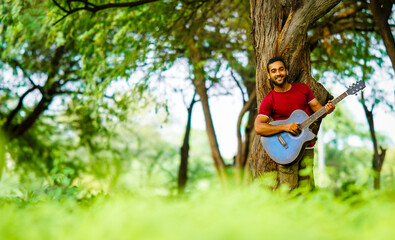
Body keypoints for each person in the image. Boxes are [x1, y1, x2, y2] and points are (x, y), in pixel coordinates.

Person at [254, 57, 335, 190]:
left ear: (286, 71)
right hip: (286, 151)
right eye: (273, 71)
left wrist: (327, 110)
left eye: (281, 69)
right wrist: (286, 127)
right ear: (269, 75)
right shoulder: (269, 100)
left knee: (307, 190)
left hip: (307, 146)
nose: (278, 73)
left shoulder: (303, 89)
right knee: (289, 191)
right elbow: (258, 127)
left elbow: (319, 111)